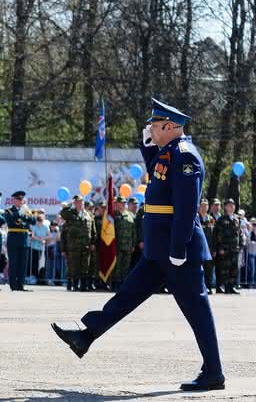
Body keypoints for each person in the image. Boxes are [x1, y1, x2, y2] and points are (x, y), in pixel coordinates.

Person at [52, 98, 224, 392]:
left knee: (196, 309)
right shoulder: (168, 153)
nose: (150, 130)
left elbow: (185, 207)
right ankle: (86, 336)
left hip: (176, 249)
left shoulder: (185, 156)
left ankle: (214, 373)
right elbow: (156, 172)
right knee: (127, 295)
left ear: (169, 126)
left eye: (154, 126)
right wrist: (146, 144)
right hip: (160, 249)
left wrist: (179, 249)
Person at [213, 198, 241, 295]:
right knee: (224, 269)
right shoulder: (221, 220)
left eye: (233, 205)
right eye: (229, 205)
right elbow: (218, 235)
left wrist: (240, 245)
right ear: (225, 207)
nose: (231, 207)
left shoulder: (237, 219)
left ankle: (232, 286)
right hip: (225, 249)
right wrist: (220, 247)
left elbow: (239, 234)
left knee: (234, 269)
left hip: (234, 249)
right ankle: (225, 286)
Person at [111, 196, 136, 290]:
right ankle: (115, 284)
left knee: (125, 265)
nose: (122, 204)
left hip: (127, 245)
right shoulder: (113, 215)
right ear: (116, 204)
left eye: (123, 202)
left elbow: (133, 231)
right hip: (117, 245)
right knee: (117, 265)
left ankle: (123, 284)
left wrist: (133, 244)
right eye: (120, 202)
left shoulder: (129, 215)